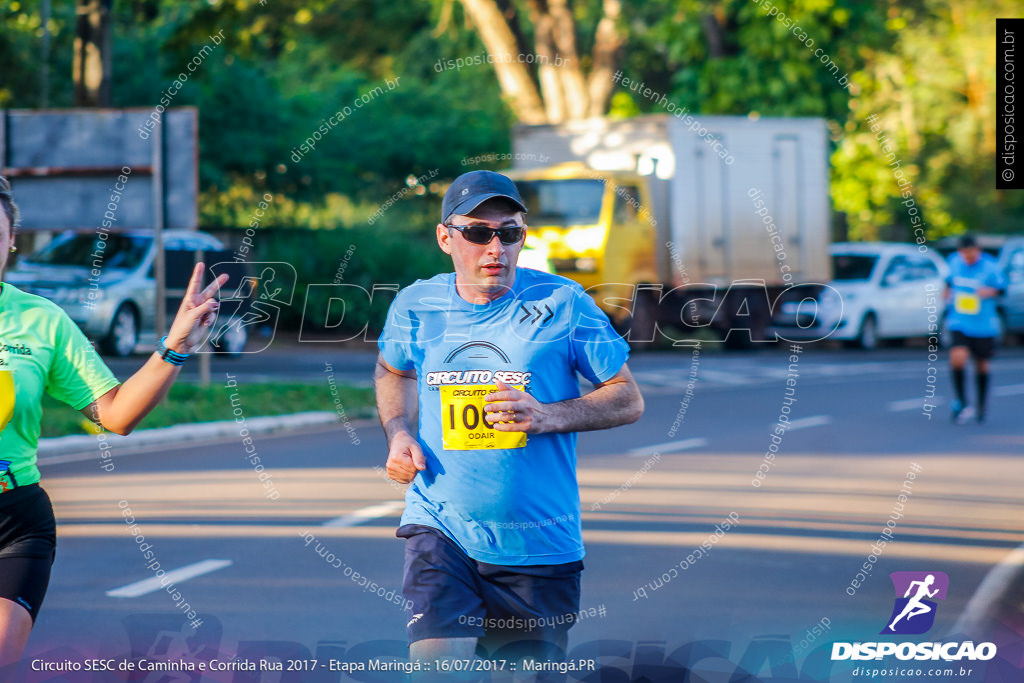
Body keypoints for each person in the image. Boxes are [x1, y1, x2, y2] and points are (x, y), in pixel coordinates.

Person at [375, 170, 644, 670]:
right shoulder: (416, 304)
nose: (495, 246)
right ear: (446, 238)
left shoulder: (564, 304)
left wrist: (547, 415)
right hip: (440, 527)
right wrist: (399, 433)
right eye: (479, 232)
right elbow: (392, 371)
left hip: (538, 542)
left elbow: (627, 399)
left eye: (510, 232)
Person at [0, 176, 227, 675]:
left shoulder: (42, 321)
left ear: (12, 240)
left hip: (14, 520)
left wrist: (176, 345)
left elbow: (117, 413)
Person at [945, 234, 1007, 423]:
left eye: (970, 253)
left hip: (983, 324)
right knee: (957, 357)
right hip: (959, 320)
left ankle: (981, 404)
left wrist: (990, 292)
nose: (968, 257)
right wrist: (945, 294)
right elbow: (948, 282)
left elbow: (1002, 289)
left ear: (977, 250)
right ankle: (962, 401)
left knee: (981, 363)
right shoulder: (954, 262)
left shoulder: (990, 266)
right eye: (964, 254)